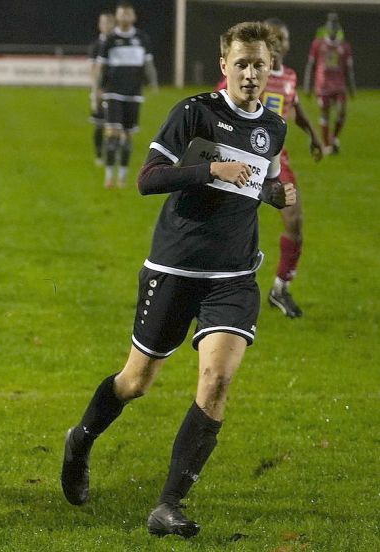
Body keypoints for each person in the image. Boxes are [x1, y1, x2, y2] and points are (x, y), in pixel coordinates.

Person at [61, 22, 296, 538]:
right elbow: (148, 179)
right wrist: (210, 170)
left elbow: (263, 181)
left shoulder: (274, 127)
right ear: (224, 68)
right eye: (242, 64)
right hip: (174, 269)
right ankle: (80, 439)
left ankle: (169, 504)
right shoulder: (195, 114)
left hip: (233, 276)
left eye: (259, 64)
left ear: (270, 68)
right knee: (136, 382)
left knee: (216, 382)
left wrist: (275, 194)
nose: (251, 74)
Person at [220, 19, 323, 318]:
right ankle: (212, 286)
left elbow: (297, 109)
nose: (280, 42)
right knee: (226, 225)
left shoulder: (288, 76)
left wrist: (314, 137)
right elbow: (218, 100)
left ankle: (280, 288)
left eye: (284, 38)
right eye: (275, 37)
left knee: (295, 221)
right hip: (241, 157)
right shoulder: (247, 72)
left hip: (278, 159)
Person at [92, 1, 158, 189]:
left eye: (128, 14)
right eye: (121, 14)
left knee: (127, 137)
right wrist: (97, 89)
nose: (124, 18)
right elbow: (101, 66)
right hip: (113, 92)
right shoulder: (109, 39)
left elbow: (148, 64)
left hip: (134, 93)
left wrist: (153, 82)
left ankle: (122, 177)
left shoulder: (142, 38)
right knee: (113, 134)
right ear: (117, 17)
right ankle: (109, 176)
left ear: (133, 17)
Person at [304, 12, 355, 154]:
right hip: (323, 85)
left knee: (341, 112)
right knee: (325, 113)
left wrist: (352, 87)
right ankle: (326, 144)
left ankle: (334, 138)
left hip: (339, 85)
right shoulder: (318, 44)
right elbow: (311, 65)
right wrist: (308, 85)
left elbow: (348, 69)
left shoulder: (344, 46)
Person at [88, 10, 115, 166]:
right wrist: (96, 90)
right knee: (99, 124)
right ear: (99, 25)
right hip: (100, 90)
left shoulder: (118, 43)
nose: (106, 25)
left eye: (109, 22)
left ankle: (112, 155)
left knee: (115, 125)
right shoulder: (96, 45)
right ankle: (99, 154)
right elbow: (93, 70)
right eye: (103, 22)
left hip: (116, 90)